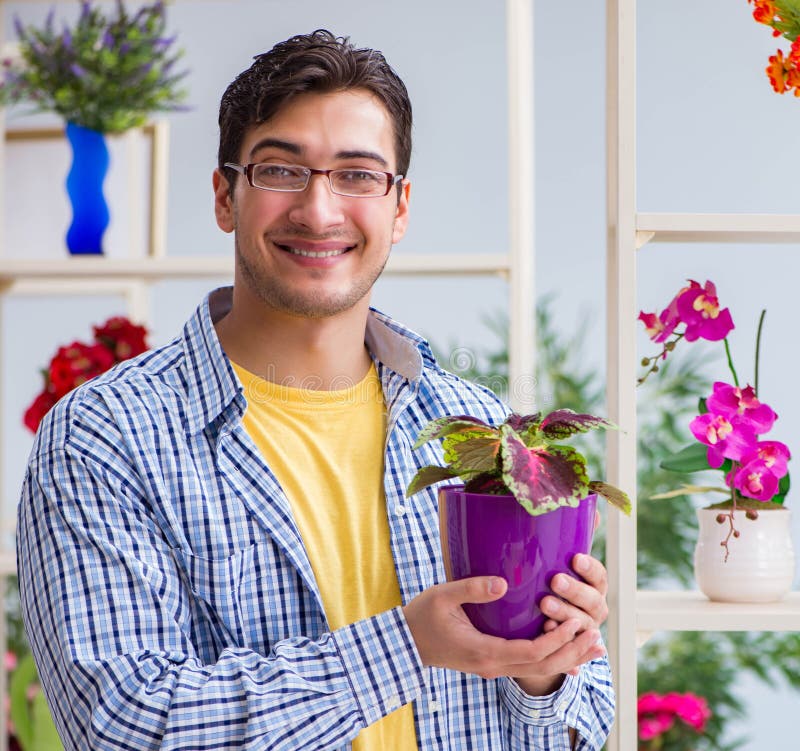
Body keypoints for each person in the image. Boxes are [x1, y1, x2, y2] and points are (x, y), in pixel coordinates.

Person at [17, 30, 615, 751]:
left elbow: (580, 723)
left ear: (399, 207)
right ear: (224, 196)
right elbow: (127, 726)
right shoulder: (105, 435)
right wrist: (404, 648)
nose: (320, 210)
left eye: (359, 175)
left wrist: (545, 673)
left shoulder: (476, 430)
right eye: (280, 170)